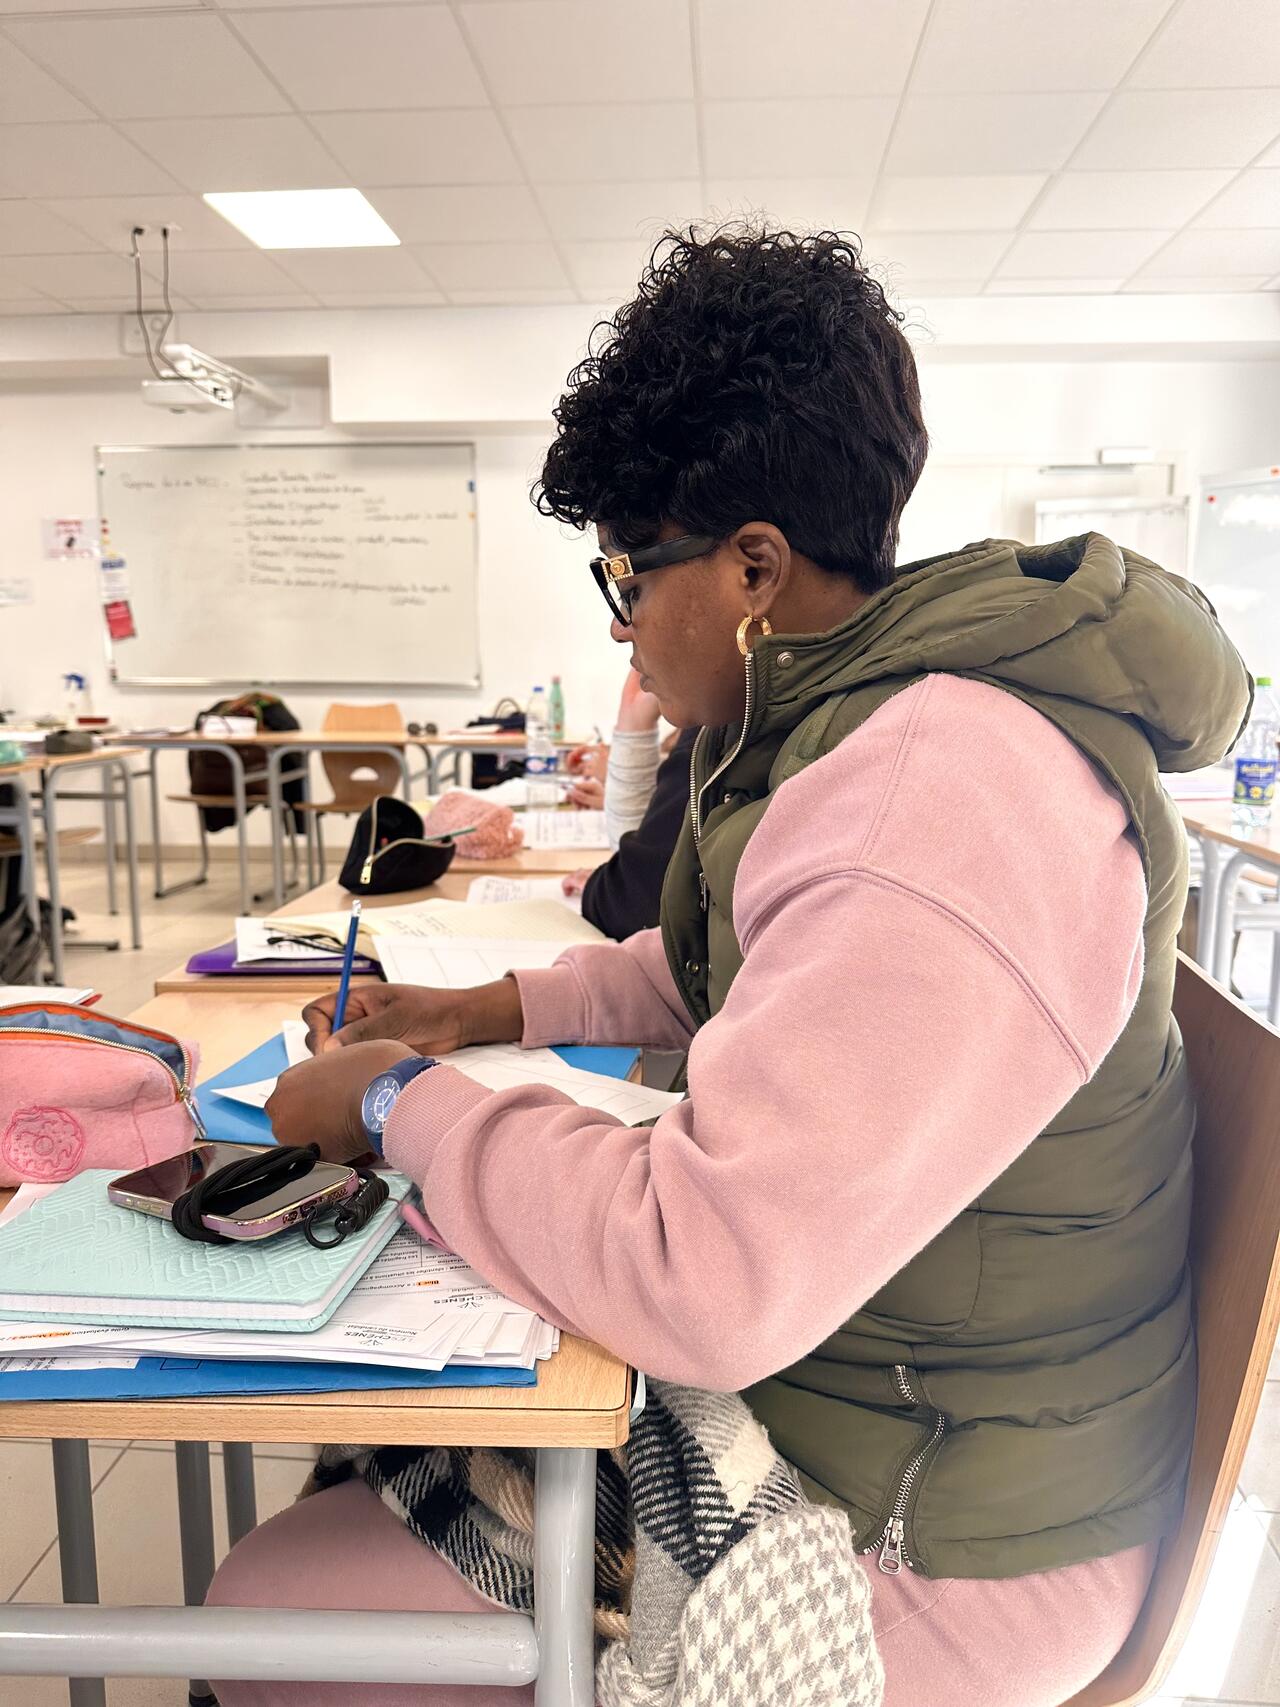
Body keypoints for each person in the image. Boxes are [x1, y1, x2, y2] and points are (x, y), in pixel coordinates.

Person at [209, 228, 1250, 1707]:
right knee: (399, 1437)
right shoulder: (865, 715)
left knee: (269, 1610)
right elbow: (738, 969)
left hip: (939, 1531)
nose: (625, 626)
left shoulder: (935, 795)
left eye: (631, 577)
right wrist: (486, 1010)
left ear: (753, 567)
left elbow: (708, 1278)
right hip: (896, 1401)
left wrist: (398, 1102)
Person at [561, 666, 698, 939]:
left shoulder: (725, 720)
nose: (619, 632)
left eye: (633, 620)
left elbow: (636, 906)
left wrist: (632, 730)